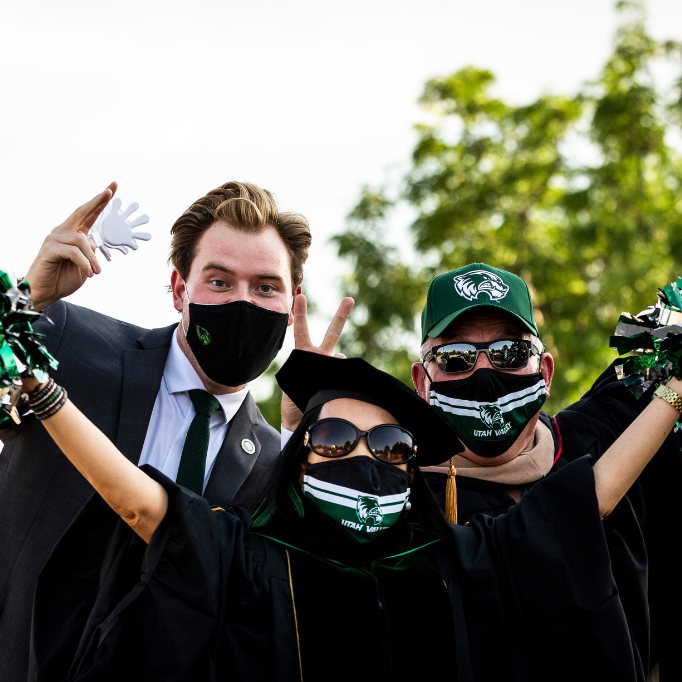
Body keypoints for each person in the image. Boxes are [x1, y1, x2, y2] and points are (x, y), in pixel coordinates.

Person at [25, 349, 682, 682]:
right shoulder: (250, 559)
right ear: (300, 456)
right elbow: (137, 501)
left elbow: (588, 498)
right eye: (336, 438)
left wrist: (674, 389)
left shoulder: (458, 559)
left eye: (391, 446)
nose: (363, 457)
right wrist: (40, 388)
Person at [0, 181, 353, 682]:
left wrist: (303, 436)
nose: (243, 303)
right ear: (179, 289)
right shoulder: (69, 341)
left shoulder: (276, 461)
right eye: (220, 281)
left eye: (265, 287)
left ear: (292, 303)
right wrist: (27, 297)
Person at [409, 262, 680, 677]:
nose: (484, 373)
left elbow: (654, 359)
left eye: (510, 353)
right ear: (422, 382)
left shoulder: (597, 435)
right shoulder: (405, 505)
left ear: (546, 371)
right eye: (456, 357)